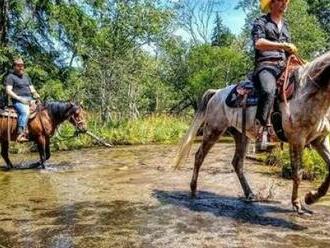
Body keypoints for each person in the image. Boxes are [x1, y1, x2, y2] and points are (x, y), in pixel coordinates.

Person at [252, 0, 297, 148]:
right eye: (281, 0)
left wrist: (300, 62)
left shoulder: (286, 26)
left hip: (285, 66)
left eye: (286, 1)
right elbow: (258, 43)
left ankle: (300, 127)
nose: (285, 3)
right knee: (269, 90)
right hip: (266, 65)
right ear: (271, 4)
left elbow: (289, 52)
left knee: (304, 84)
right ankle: (260, 130)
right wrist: (282, 45)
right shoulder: (261, 21)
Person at [4, 58, 40, 142]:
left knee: (43, 110)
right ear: (14, 67)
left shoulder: (26, 77)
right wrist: (19, 98)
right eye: (19, 66)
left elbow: (32, 89)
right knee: (25, 112)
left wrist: (36, 94)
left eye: (22, 65)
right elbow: (8, 91)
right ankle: (20, 134)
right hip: (18, 100)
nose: (21, 67)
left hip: (30, 100)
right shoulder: (10, 77)